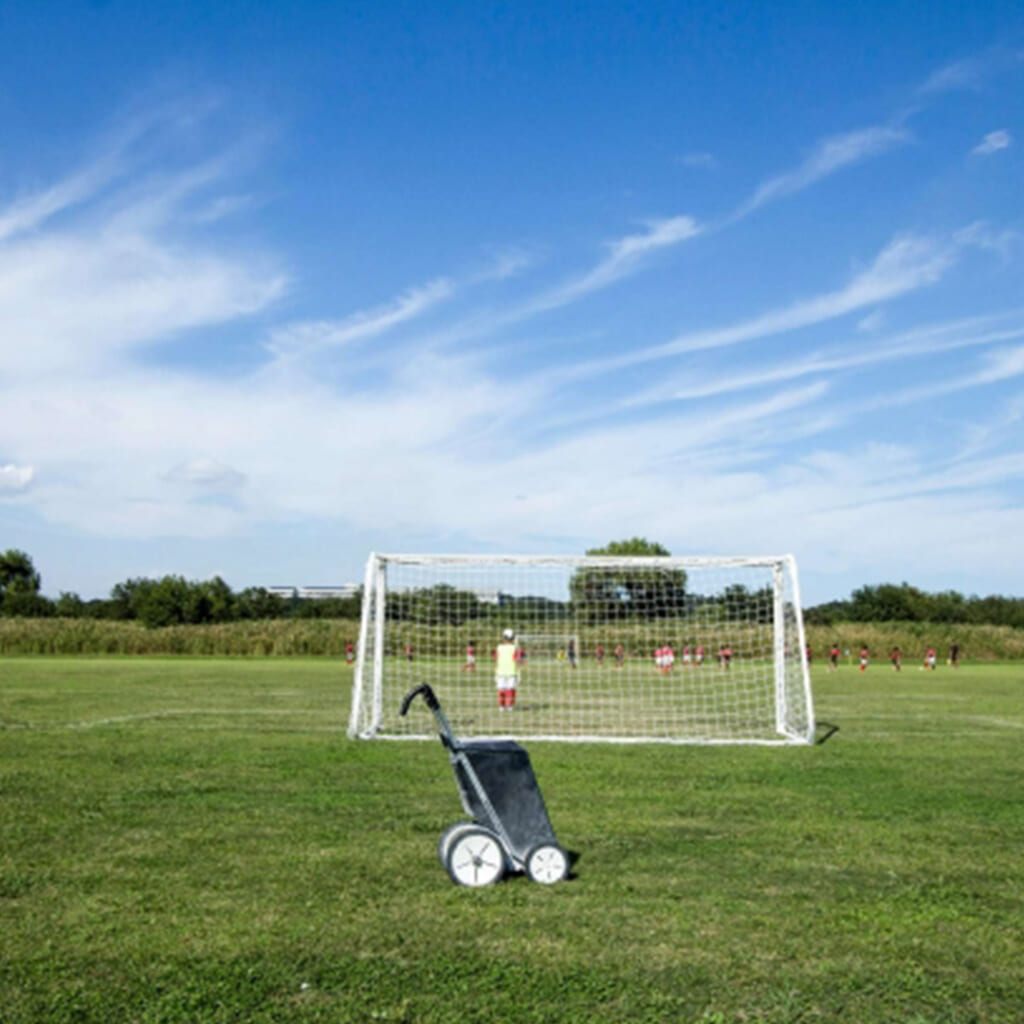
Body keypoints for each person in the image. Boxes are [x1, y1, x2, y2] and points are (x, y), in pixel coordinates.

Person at [495, 628, 522, 710]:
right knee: (510, 690)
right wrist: (519, 670)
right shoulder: (514, 648)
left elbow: (496, 658)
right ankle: (509, 706)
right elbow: (517, 660)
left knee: (501, 690)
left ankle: (502, 706)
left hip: (500, 672)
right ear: (513, 638)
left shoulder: (499, 647)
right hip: (511, 672)